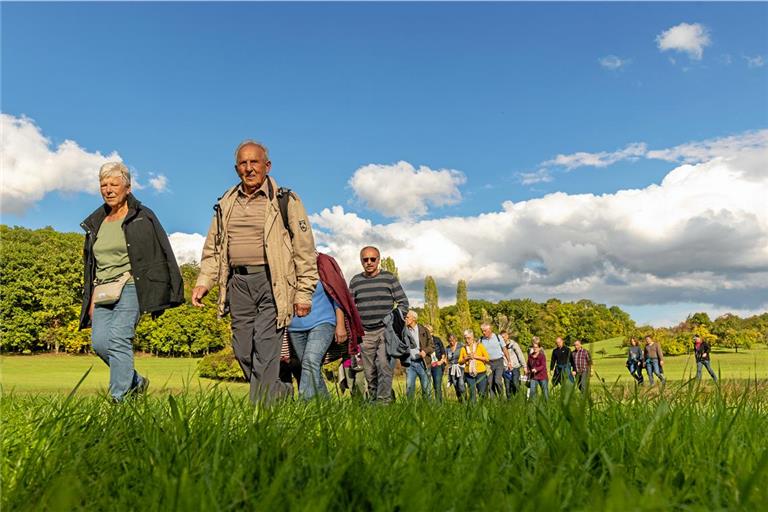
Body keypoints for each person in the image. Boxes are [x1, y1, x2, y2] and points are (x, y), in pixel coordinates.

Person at [193, 140, 318, 403]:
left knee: (265, 349)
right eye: (243, 163)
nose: (249, 168)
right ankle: (280, 391)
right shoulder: (225, 203)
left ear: (267, 166)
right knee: (243, 350)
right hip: (238, 283)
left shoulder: (286, 200)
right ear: (236, 167)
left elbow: (305, 250)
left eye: (255, 162)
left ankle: (260, 416)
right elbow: (214, 248)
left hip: (273, 283)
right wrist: (204, 282)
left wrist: (303, 293)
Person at [79, 162, 183, 402]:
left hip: (131, 285)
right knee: (100, 343)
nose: (108, 189)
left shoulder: (142, 216)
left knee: (118, 338)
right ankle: (136, 381)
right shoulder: (96, 222)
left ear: (127, 187)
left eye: (114, 184)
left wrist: (169, 288)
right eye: (103, 185)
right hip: (103, 289)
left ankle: (120, 401)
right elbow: (92, 265)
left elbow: (162, 251)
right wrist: (92, 298)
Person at [287, 253, 355, 399]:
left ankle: (304, 405)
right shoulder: (285, 264)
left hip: (323, 322)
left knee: (310, 361)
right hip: (295, 326)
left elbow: (337, 295)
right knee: (311, 367)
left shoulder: (322, 262)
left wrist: (340, 325)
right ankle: (326, 406)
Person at [349, 246, 409, 404]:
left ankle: (384, 402)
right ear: (361, 261)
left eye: (372, 259)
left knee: (383, 365)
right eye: (365, 259)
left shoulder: (389, 278)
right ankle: (374, 398)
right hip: (365, 333)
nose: (369, 262)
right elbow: (350, 307)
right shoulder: (355, 281)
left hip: (385, 331)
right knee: (369, 371)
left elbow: (403, 303)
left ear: (378, 260)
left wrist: (393, 320)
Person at [404, 310, 434, 400]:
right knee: (409, 389)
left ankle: (428, 410)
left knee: (426, 390)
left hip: (423, 363)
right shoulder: (404, 331)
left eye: (407, 317)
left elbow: (432, 346)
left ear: (414, 318)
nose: (405, 319)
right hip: (410, 364)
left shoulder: (424, 330)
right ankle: (409, 409)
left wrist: (425, 351)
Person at [479, 323, 513, 398]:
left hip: (498, 362)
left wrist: (509, 361)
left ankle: (501, 398)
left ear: (490, 330)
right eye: (482, 331)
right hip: (488, 364)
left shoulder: (498, 337)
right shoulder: (481, 339)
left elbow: (504, 349)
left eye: (485, 331)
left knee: (497, 381)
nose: (483, 333)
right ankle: (493, 402)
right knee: (490, 382)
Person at [459, 330, 490, 402]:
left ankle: (484, 408)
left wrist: (476, 357)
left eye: (468, 338)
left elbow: (487, 359)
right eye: (465, 338)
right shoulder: (463, 348)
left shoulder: (480, 346)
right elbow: (460, 362)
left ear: (473, 338)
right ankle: (473, 410)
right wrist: (466, 358)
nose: (467, 340)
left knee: (482, 393)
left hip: (481, 372)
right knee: (472, 393)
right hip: (468, 373)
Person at [501, 330, 526, 397]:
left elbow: (520, 355)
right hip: (506, 369)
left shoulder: (514, 344)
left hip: (515, 367)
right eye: (501, 337)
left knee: (515, 383)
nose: (503, 338)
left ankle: (520, 398)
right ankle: (510, 404)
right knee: (507, 388)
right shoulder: (500, 347)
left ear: (507, 336)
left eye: (504, 337)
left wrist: (524, 366)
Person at [429, 326, 447, 402]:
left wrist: (441, 361)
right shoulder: (423, 341)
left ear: (432, 332)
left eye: (429, 332)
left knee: (437, 385)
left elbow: (443, 351)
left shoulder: (437, 340)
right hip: (428, 365)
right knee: (428, 385)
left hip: (437, 365)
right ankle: (429, 403)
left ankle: (439, 403)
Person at [445, 334, 465, 401]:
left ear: (455, 339)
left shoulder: (461, 345)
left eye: (452, 340)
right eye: (450, 341)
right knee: (455, 384)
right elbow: (446, 358)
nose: (451, 342)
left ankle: (465, 399)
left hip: (461, 367)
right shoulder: (447, 348)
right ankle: (460, 401)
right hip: (452, 368)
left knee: (461, 384)